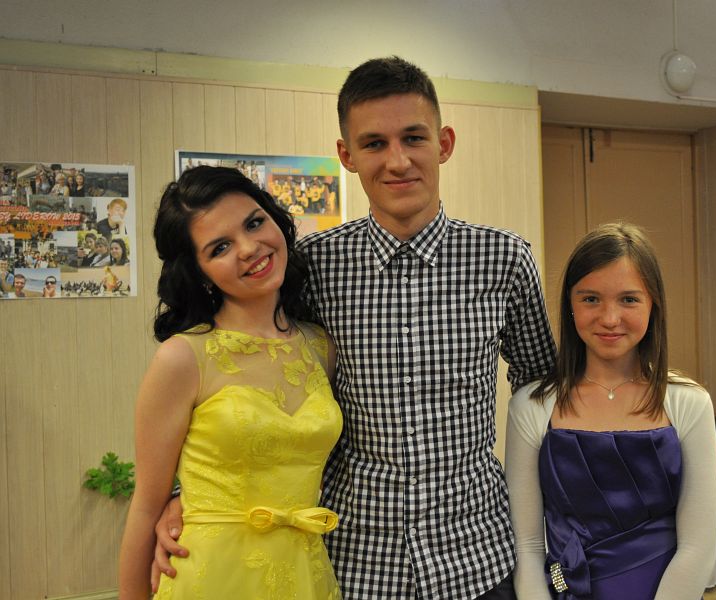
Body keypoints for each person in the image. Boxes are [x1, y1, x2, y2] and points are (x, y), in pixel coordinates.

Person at [153, 56, 556, 600]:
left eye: (413, 137)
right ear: (346, 156)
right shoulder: (310, 267)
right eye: (374, 144)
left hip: (477, 558)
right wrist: (186, 495)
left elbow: (540, 391)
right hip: (355, 562)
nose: (397, 161)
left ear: (444, 143)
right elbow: (246, 377)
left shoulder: (503, 259)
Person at [118, 166, 343, 599]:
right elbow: (146, 505)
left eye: (254, 223)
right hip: (210, 576)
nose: (249, 248)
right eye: (220, 247)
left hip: (306, 573)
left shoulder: (320, 347)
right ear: (200, 272)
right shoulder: (183, 358)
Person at [505, 223, 716, 600]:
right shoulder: (532, 405)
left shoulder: (689, 402)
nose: (609, 318)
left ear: (654, 304)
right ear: (570, 305)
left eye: (628, 300)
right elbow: (527, 546)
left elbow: (697, 548)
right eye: (590, 299)